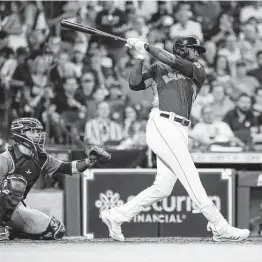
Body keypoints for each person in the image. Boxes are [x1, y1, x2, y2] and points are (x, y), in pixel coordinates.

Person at [100, 36, 250, 242]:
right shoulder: (158, 68)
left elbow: (174, 62)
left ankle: (117, 215)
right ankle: (219, 225)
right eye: (193, 49)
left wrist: (147, 46)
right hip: (162, 123)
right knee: (190, 176)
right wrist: (140, 56)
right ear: (181, 48)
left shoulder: (197, 69)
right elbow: (134, 84)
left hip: (180, 129)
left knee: (162, 188)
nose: (198, 53)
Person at [0, 117, 111, 240]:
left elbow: (69, 168)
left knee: (56, 230)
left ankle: (11, 231)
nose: (37, 135)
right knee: (16, 184)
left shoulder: (42, 158)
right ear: (20, 133)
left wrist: (89, 161)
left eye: (38, 131)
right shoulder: (5, 158)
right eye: (32, 131)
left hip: (14, 210)